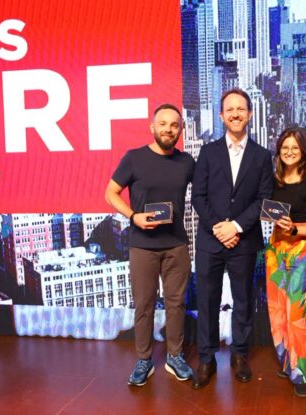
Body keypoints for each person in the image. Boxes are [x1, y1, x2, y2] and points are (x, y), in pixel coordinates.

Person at [105, 103, 195, 387]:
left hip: (176, 245)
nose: (169, 129)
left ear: (181, 130)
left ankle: (175, 356)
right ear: (152, 127)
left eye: (174, 125)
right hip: (142, 245)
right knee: (144, 305)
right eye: (163, 124)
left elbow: (205, 192)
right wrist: (134, 216)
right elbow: (111, 193)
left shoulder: (187, 162)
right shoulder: (134, 158)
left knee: (176, 304)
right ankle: (144, 360)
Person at [191, 87, 274, 389]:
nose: (236, 114)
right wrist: (219, 227)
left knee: (243, 301)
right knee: (207, 301)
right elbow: (198, 197)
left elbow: (263, 199)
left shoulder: (262, 156)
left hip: (244, 241)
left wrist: (236, 227)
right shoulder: (208, 152)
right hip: (210, 240)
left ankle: (240, 355)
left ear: (249, 114)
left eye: (241, 109)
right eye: (230, 109)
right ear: (221, 115)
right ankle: (206, 358)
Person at [264, 127, 306, 398]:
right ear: (279, 152)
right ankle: (288, 362)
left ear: (303, 153)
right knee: (277, 310)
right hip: (276, 250)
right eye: (285, 147)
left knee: (296, 315)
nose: (289, 152)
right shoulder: (273, 184)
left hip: (303, 251)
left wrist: (295, 229)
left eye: (295, 148)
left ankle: (301, 373)